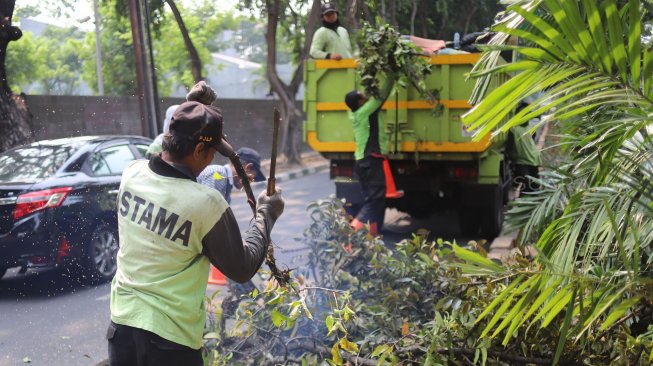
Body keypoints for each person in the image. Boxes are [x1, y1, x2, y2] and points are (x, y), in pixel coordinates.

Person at [107, 101, 284, 366]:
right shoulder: (205, 204)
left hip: (121, 329)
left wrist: (191, 106)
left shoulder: (132, 174)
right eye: (212, 152)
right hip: (170, 343)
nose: (212, 159)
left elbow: (155, 155)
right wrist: (266, 213)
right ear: (200, 149)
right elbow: (242, 267)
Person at [344, 72, 396, 236]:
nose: (364, 96)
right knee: (375, 201)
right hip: (371, 161)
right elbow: (382, 96)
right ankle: (351, 235)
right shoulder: (364, 112)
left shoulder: (355, 113)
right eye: (361, 95)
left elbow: (373, 99)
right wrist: (391, 74)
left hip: (362, 162)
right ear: (359, 102)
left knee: (372, 200)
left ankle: (369, 239)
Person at [197, 147, 266, 205]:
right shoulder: (218, 174)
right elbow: (206, 207)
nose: (250, 183)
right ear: (248, 167)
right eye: (251, 179)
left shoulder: (227, 190)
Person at [507, 101, 542, 194]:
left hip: (534, 160)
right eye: (522, 113)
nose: (525, 115)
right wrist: (513, 160)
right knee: (526, 187)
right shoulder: (513, 129)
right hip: (521, 162)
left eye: (527, 113)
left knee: (535, 187)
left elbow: (532, 141)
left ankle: (532, 207)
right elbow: (509, 148)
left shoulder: (531, 126)